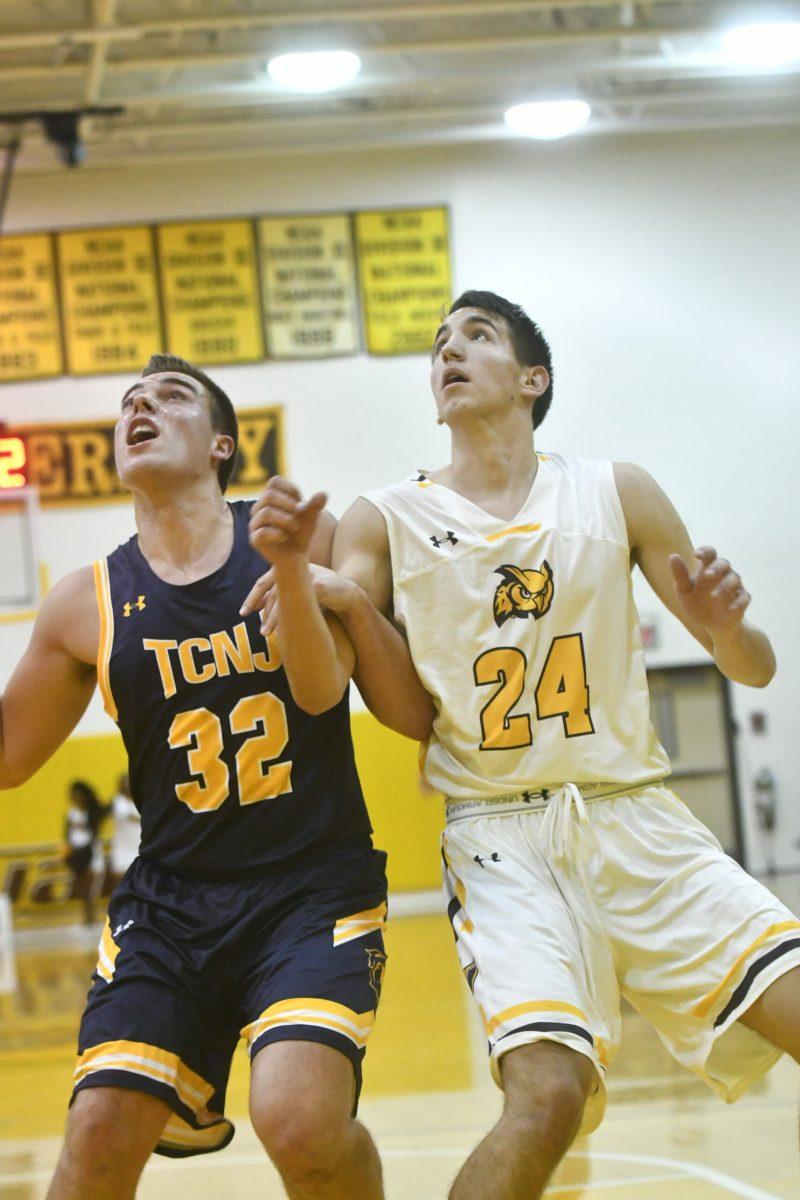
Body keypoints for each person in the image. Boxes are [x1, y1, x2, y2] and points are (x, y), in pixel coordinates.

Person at [244, 291, 800, 1200]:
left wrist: (727, 628)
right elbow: (328, 688)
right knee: (546, 1100)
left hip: (639, 820)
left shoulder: (616, 490)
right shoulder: (384, 518)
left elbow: (756, 669)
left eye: (477, 336)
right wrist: (306, 587)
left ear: (532, 379)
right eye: (438, 345)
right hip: (503, 839)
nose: (448, 352)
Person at [0, 353, 391, 1200]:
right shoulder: (86, 602)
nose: (140, 405)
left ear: (221, 443)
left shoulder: (302, 539)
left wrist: (289, 566)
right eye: (128, 401)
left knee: (299, 1122)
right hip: (172, 904)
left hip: (311, 890)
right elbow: (9, 756)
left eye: (169, 396)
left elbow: (324, 696)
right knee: (99, 1131)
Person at [63, 779, 106, 925]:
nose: (73, 797)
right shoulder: (71, 814)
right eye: (72, 794)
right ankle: (88, 914)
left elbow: (94, 834)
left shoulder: (92, 812)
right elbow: (67, 834)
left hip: (90, 851)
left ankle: (93, 913)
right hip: (76, 853)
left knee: (92, 884)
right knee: (81, 885)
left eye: (76, 794)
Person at [106, 772, 141, 890]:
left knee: (139, 882)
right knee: (121, 883)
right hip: (122, 848)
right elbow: (127, 816)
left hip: (139, 847)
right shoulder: (117, 801)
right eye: (124, 782)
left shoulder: (140, 800)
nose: (127, 784)